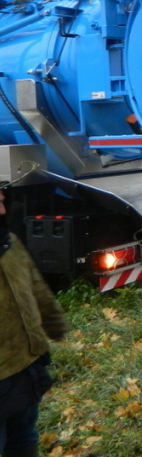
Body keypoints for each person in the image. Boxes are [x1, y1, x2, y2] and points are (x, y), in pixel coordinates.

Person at [1, 189, 68, 457]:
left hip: (24, 369)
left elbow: (36, 288)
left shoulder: (10, 243)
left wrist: (54, 323)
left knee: (24, 438)